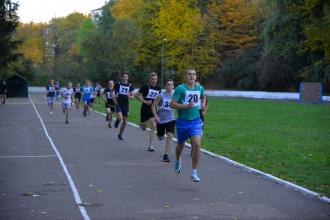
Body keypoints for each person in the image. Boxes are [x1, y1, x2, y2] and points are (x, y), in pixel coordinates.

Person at [170, 69, 206, 182]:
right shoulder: (181, 88)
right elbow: (172, 104)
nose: (192, 76)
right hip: (183, 122)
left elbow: (203, 96)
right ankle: (177, 160)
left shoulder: (199, 88)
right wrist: (185, 106)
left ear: (196, 77)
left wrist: (203, 104)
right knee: (180, 145)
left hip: (195, 121)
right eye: (189, 74)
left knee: (196, 144)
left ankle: (194, 172)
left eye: (194, 74)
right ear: (185, 76)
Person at [135, 72, 161, 151]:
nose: (154, 81)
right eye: (152, 79)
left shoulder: (158, 88)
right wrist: (145, 101)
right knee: (143, 126)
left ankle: (151, 145)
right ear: (150, 79)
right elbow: (136, 95)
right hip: (145, 109)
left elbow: (160, 99)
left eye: (155, 79)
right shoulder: (145, 87)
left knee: (153, 125)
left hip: (153, 109)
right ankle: (142, 124)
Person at [151, 79, 175, 162]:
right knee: (160, 137)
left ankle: (166, 155)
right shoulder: (161, 95)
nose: (170, 86)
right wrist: (155, 116)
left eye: (171, 85)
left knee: (170, 136)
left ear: (173, 86)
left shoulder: (175, 96)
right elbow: (153, 106)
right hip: (161, 119)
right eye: (168, 84)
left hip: (171, 118)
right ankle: (160, 134)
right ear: (165, 86)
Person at [114, 72, 135, 140]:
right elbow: (113, 92)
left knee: (125, 122)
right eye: (124, 76)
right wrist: (114, 98)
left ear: (128, 77)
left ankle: (120, 134)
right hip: (119, 103)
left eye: (126, 76)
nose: (125, 77)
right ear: (122, 77)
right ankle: (117, 121)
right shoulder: (118, 84)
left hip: (126, 105)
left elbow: (132, 97)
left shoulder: (130, 86)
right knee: (120, 118)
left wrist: (130, 96)